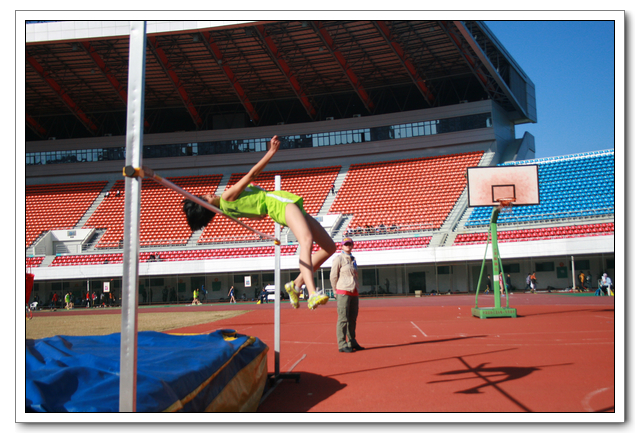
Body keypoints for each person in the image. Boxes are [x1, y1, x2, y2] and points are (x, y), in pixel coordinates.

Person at [182, 135, 336, 311]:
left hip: (277, 205)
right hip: (278, 204)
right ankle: (312, 292)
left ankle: (296, 284)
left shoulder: (228, 210)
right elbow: (252, 175)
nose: (210, 194)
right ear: (207, 208)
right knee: (306, 240)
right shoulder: (226, 198)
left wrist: (255, 192)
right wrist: (271, 152)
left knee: (329, 247)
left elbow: (258, 215)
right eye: (207, 198)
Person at [331, 237, 364, 353]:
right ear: (342, 246)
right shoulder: (339, 259)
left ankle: (352, 341)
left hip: (354, 291)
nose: (348, 246)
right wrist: (335, 291)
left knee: (352, 318)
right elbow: (333, 276)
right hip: (343, 291)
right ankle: (342, 344)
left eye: (350, 244)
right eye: (346, 244)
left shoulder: (353, 259)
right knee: (343, 318)